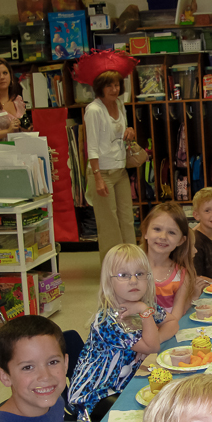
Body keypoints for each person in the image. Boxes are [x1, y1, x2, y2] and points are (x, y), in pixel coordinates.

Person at [68, 244, 177, 413]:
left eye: (139, 274)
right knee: (154, 410)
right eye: (123, 275)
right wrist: (145, 315)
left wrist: (154, 336)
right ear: (108, 282)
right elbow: (153, 347)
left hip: (123, 383)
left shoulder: (143, 305)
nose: (133, 281)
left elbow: (172, 322)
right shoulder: (108, 321)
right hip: (94, 395)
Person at [73, 50, 139, 263]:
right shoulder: (94, 110)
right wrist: (98, 177)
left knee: (127, 220)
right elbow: (91, 147)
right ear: (100, 87)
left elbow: (121, 131)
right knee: (109, 224)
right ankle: (113, 268)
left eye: (117, 84)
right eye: (109, 85)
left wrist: (129, 131)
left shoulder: (119, 104)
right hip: (102, 173)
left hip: (120, 170)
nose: (114, 89)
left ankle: (132, 262)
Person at [140, 202, 204, 318]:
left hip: (166, 333)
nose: (163, 237)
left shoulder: (181, 275)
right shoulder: (130, 268)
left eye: (171, 232)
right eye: (157, 229)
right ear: (145, 232)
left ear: (181, 240)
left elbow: (175, 318)